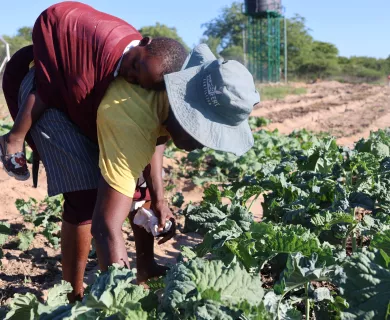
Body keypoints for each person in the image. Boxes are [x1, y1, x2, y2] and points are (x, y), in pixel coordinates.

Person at [0, 1, 187, 181]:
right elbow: (81, 99)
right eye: (134, 66)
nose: (130, 76)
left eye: (137, 82)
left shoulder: (143, 63)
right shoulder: (105, 51)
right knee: (51, 87)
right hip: (59, 25)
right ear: (143, 42)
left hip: (82, 27)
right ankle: (14, 138)